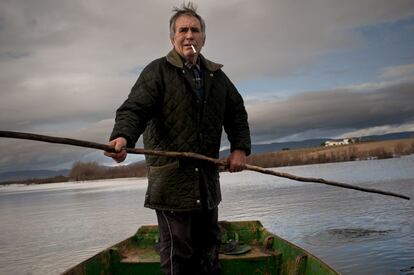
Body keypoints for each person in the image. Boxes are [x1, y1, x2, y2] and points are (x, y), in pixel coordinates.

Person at [105, 2, 251, 274]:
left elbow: (237, 114)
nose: (189, 36)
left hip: (206, 181)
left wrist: (239, 149)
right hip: (171, 183)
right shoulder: (157, 72)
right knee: (178, 254)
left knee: (209, 248)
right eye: (183, 30)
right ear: (172, 38)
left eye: (195, 30)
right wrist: (122, 137)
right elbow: (134, 108)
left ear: (203, 39)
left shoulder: (217, 77)